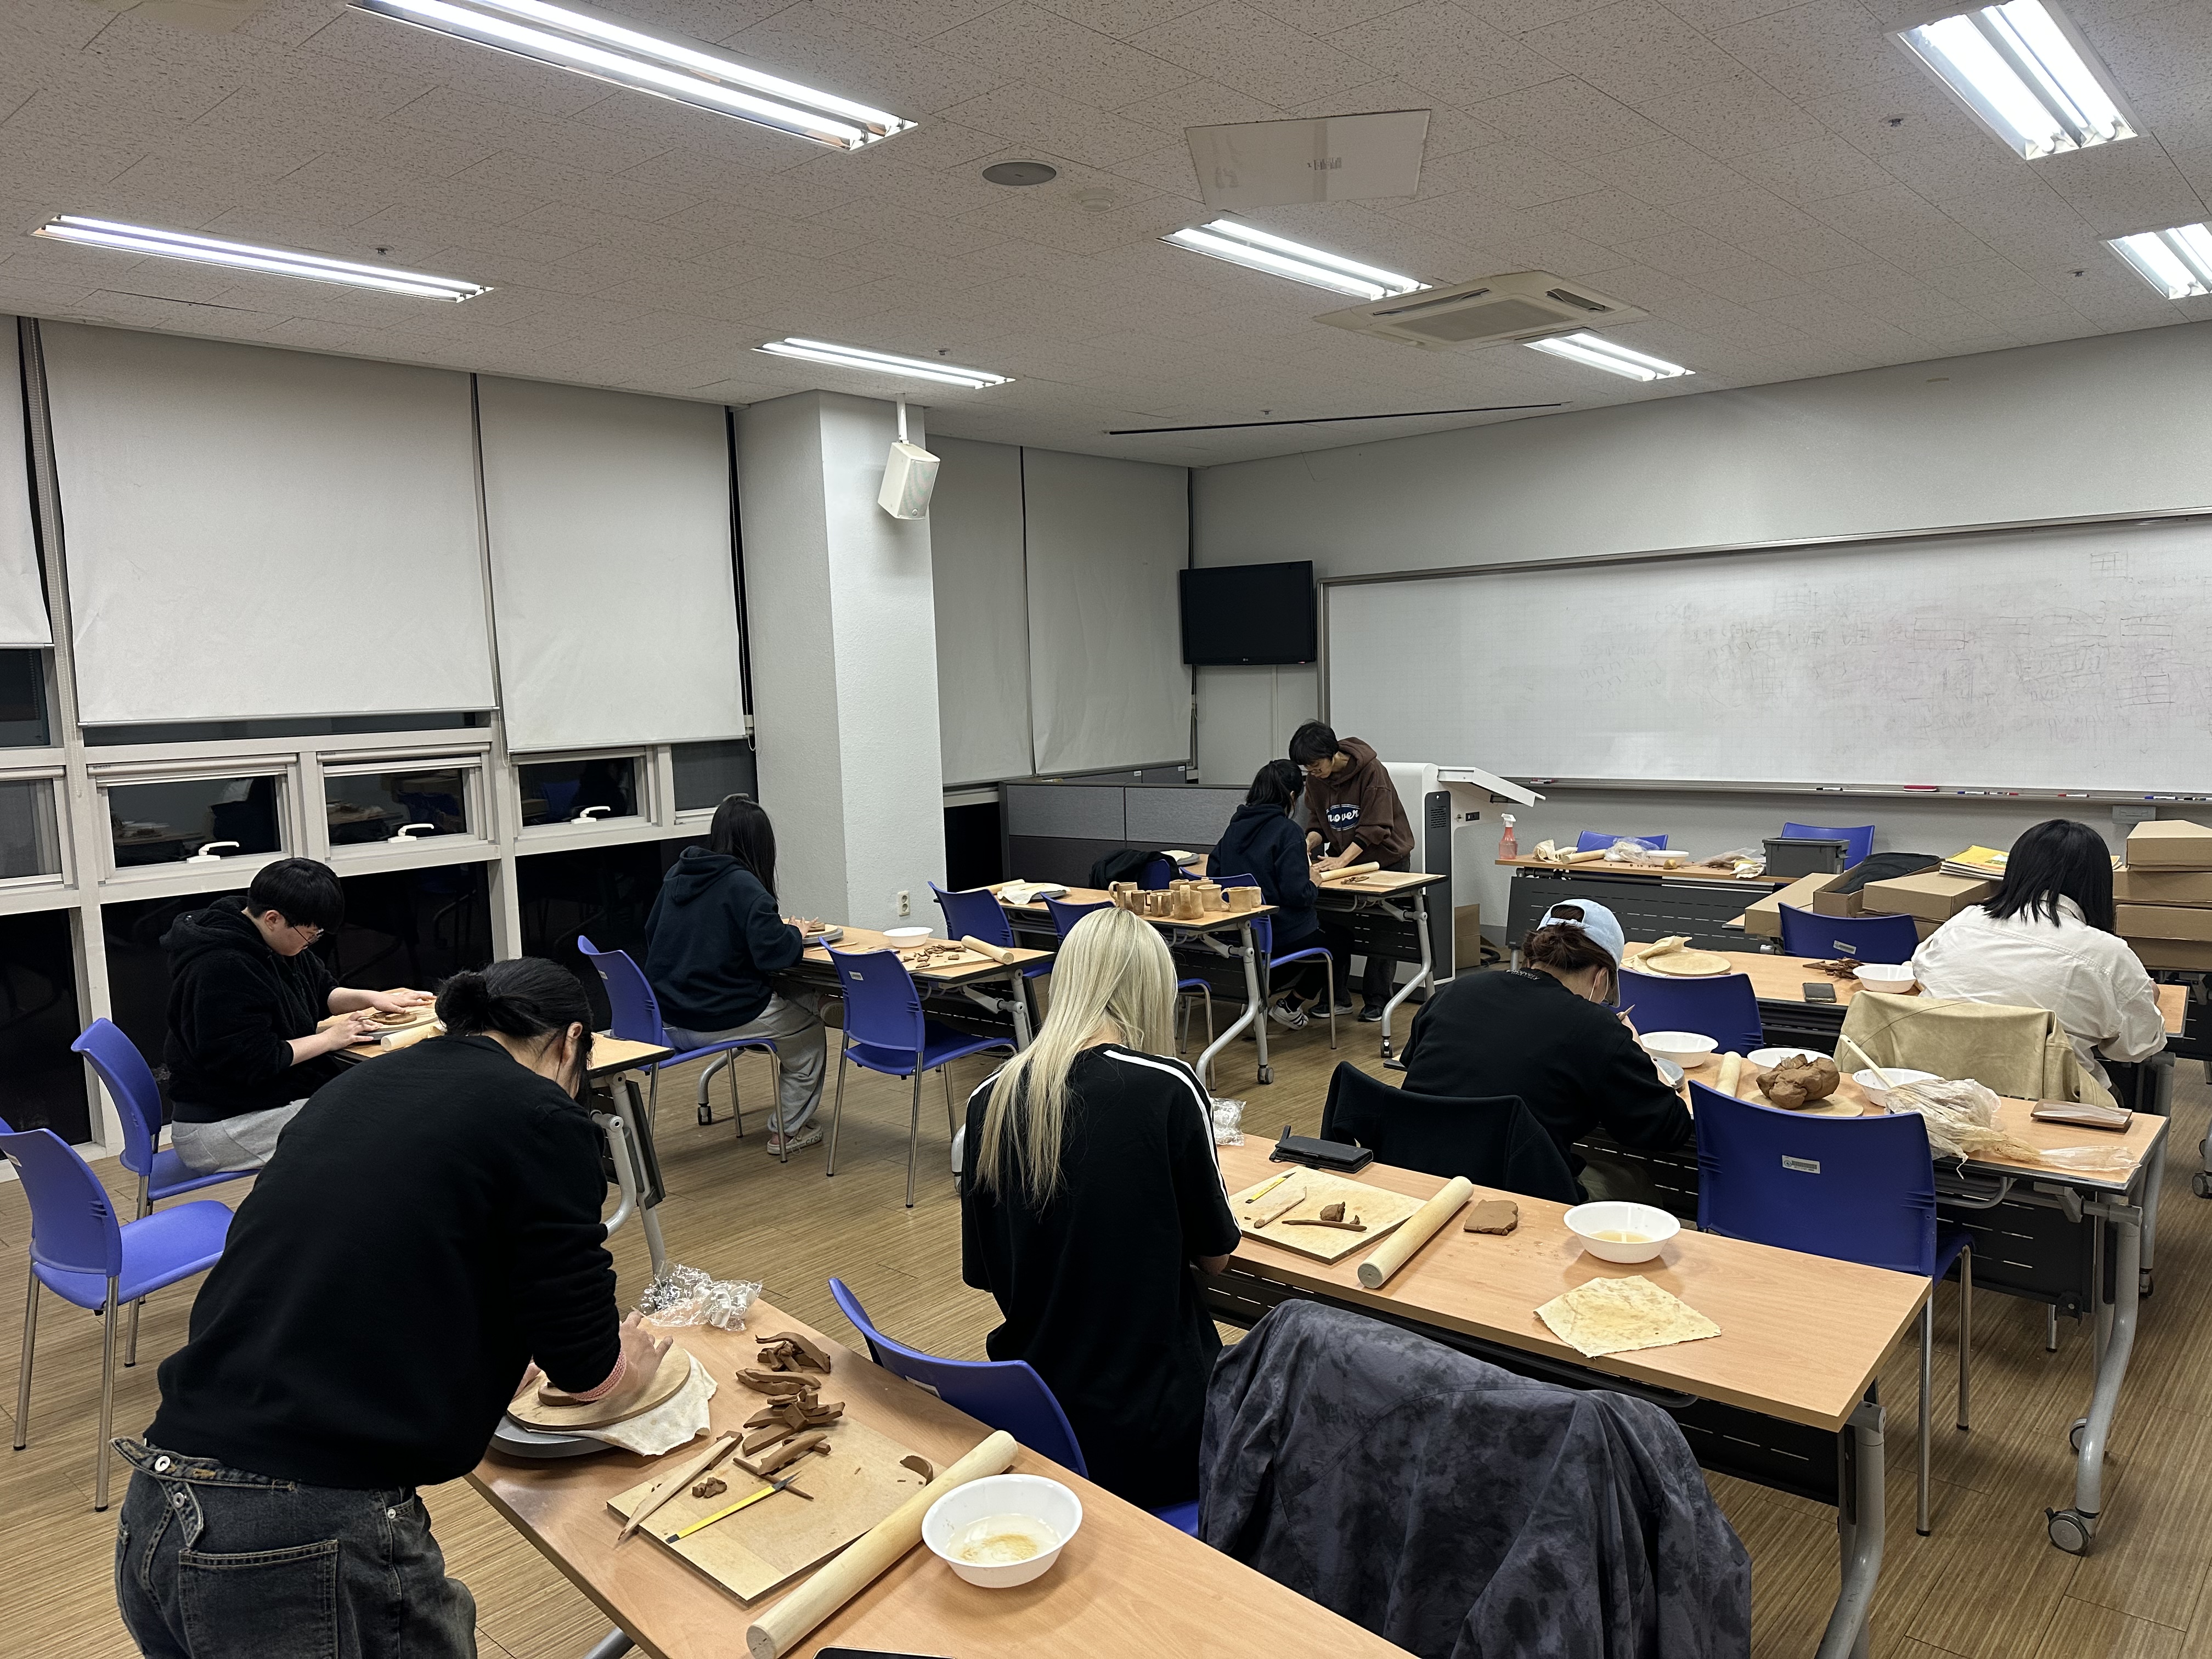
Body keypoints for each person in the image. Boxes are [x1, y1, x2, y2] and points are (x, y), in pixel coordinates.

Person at [117, 958, 670, 1658]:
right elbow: (585, 1364)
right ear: (572, 1042)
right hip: (295, 1535)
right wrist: (627, 1370)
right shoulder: (541, 1115)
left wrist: (487, 1358)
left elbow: (377, 1262)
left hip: (160, 1504)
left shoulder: (360, 1086)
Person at [960, 905, 1239, 1509]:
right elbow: (1215, 1258)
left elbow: (984, 1274)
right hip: (1157, 1434)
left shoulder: (989, 1099)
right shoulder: (1168, 1086)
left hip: (1037, 1421)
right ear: (1150, 992)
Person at [1400, 900, 1691, 1203]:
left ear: (1533, 957)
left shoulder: (1454, 992)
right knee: (1634, 1181)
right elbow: (1669, 1130)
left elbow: (1415, 1066)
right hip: (1516, 1194)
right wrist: (1639, 1049)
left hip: (1406, 1174)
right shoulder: (1595, 1027)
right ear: (1602, 977)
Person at [161, 857, 433, 1175]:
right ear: (273, 919)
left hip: (255, 1104)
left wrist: (373, 998)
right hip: (222, 1125)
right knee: (382, 1123)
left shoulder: (271, 940)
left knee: (378, 1101)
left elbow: (321, 992)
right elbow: (252, 1060)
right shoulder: (221, 968)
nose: (312, 943)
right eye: (310, 935)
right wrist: (330, 1039)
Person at [1912, 819, 2166, 1087]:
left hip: (1934, 1088)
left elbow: (1920, 970)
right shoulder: (2107, 954)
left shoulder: (1964, 922)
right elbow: (2137, 1049)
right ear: (2099, 884)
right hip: (2047, 1101)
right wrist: (2146, 996)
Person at [643, 794, 827, 1155]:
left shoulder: (678, 875)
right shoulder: (745, 887)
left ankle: (816, 1004)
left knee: (787, 998)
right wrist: (795, 933)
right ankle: (787, 1132)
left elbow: (653, 934)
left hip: (666, 1018)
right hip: (718, 1016)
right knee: (809, 1036)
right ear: (761, 845)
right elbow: (774, 955)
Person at [1288, 720, 1414, 1022]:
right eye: (1307, 768)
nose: (1312, 772)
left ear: (1332, 754)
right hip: (1346, 862)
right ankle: (1336, 998)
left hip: (1385, 860)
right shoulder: (1316, 780)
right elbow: (1318, 823)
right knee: (1335, 927)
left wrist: (1341, 861)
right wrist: (1308, 843)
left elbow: (1376, 828)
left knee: (1382, 932)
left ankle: (1378, 1000)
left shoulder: (1372, 772)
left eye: (1316, 765)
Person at [1209, 758, 1338, 1029]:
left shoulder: (1234, 828)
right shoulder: (1288, 832)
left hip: (1242, 932)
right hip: (1281, 932)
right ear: (1291, 796)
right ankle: (1290, 1006)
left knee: (1303, 945)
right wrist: (1313, 882)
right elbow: (1297, 895)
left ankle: (1258, 995)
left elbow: (1215, 872)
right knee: (1340, 941)